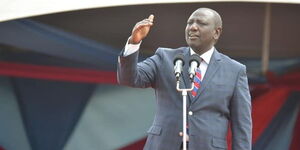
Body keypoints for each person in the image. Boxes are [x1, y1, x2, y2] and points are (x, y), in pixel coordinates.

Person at [117, 8, 252, 150]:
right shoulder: (165, 58)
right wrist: (134, 41)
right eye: (190, 23)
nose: (193, 27)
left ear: (216, 32)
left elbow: (242, 126)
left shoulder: (235, 70)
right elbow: (129, 79)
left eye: (201, 23)